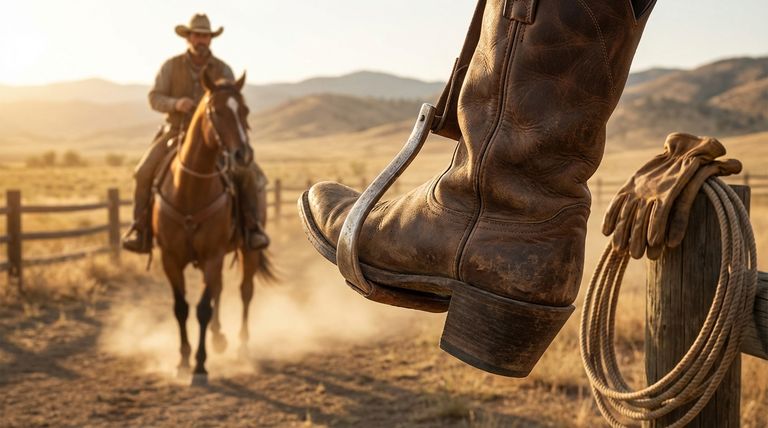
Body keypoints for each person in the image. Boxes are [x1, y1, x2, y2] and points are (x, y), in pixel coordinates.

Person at [122, 13, 269, 253]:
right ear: (188, 37)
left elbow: (232, 102)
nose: (201, 40)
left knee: (247, 172)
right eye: (197, 35)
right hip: (174, 131)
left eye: (206, 36)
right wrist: (175, 103)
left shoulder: (223, 69)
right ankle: (140, 230)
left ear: (211, 39)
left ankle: (252, 228)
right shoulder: (171, 66)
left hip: (215, 137)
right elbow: (153, 97)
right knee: (144, 171)